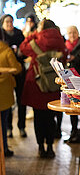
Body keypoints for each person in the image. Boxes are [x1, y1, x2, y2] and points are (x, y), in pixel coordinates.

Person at [20, 19, 66, 158]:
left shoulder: (37, 40)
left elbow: (23, 48)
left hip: (37, 82)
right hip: (53, 83)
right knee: (50, 116)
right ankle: (51, 147)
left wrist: (33, 34)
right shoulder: (60, 40)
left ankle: (41, 147)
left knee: (38, 117)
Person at [0, 14, 27, 138]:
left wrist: (21, 52)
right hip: (6, 74)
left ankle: (21, 126)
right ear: (2, 23)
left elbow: (25, 51)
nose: (9, 24)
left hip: (18, 70)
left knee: (21, 99)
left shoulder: (19, 34)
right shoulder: (1, 35)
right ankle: (9, 127)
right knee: (8, 101)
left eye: (11, 21)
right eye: (7, 22)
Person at [0, 32, 22, 157]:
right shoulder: (7, 50)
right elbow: (16, 69)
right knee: (3, 122)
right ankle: (4, 149)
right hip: (5, 91)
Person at [65, 25, 80, 143]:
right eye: (70, 33)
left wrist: (73, 59)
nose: (72, 35)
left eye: (74, 32)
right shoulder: (64, 46)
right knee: (72, 107)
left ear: (78, 33)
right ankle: (73, 132)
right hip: (69, 80)